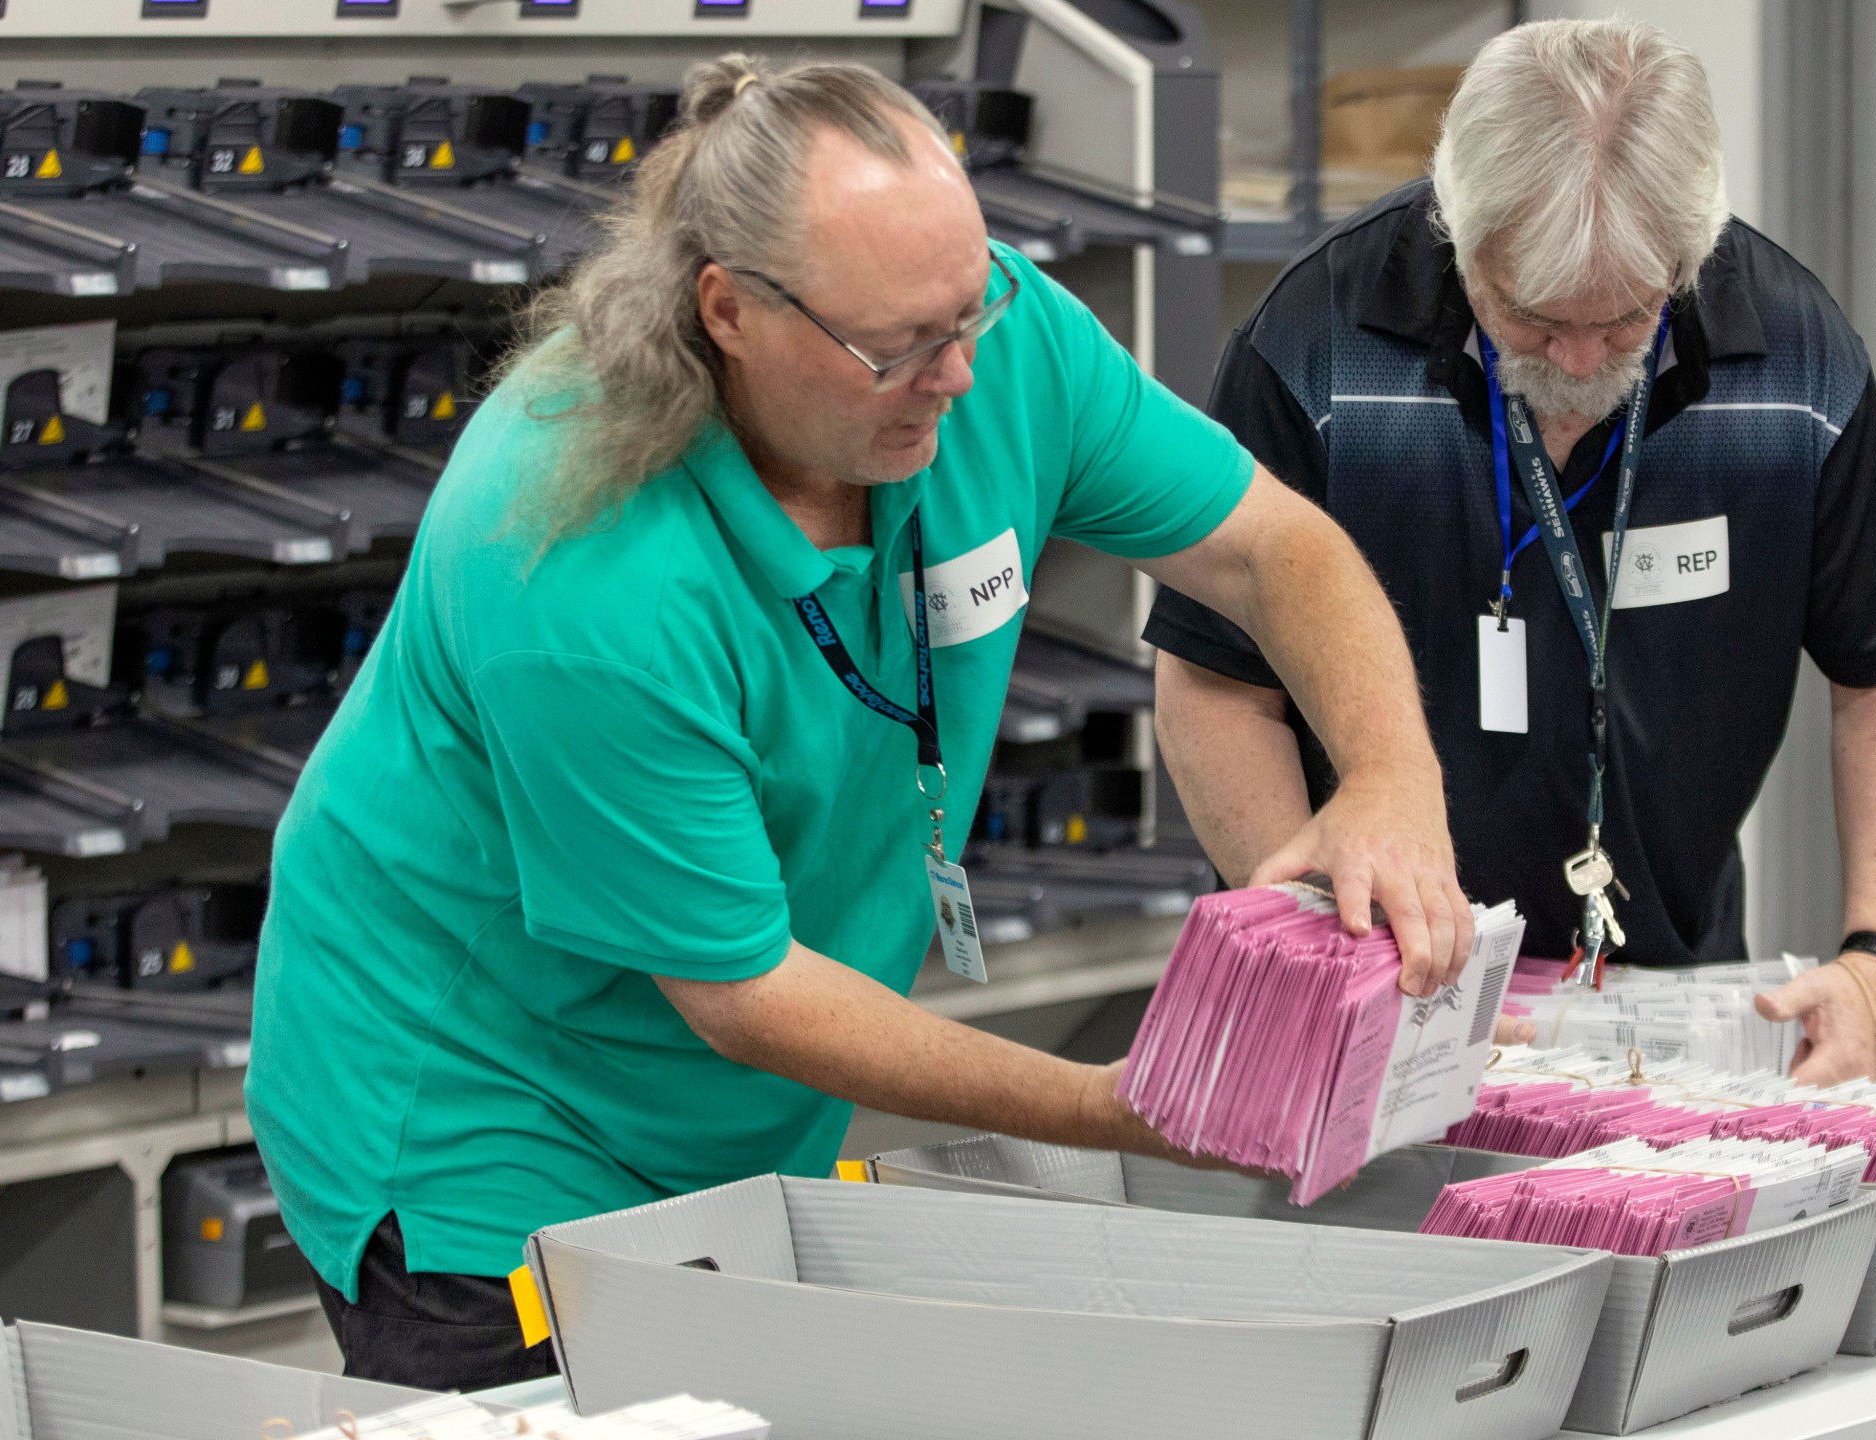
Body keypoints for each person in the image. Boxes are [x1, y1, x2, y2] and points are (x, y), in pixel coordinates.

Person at [248, 55, 1467, 1392]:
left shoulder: (994, 338)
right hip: (479, 1110)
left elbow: (1270, 550)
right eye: (897, 349)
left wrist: (1390, 781)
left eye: (969, 312)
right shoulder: (575, 554)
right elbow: (745, 990)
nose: (954, 376)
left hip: (734, 1105)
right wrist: (1104, 1110)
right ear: (729, 312)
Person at [1147, 18, 1876, 1090]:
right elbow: (1213, 682)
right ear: (1459, 229)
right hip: (1365, 987)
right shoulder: (1316, 340)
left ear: (1691, 253)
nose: (1577, 361)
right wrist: (1318, 958)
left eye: (1626, 320)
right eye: (1528, 319)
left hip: (1666, 1000)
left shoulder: (1799, 361)